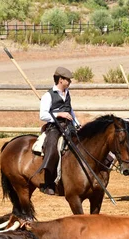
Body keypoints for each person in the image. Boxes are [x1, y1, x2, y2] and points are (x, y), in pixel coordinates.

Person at [39, 66, 80, 195]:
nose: (70, 82)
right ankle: (47, 182)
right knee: (52, 149)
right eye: (68, 79)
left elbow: (70, 111)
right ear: (60, 80)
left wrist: (77, 123)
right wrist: (59, 114)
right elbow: (43, 115)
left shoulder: (67, 93)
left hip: (69, 126)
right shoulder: (48, 95)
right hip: (55, 127)